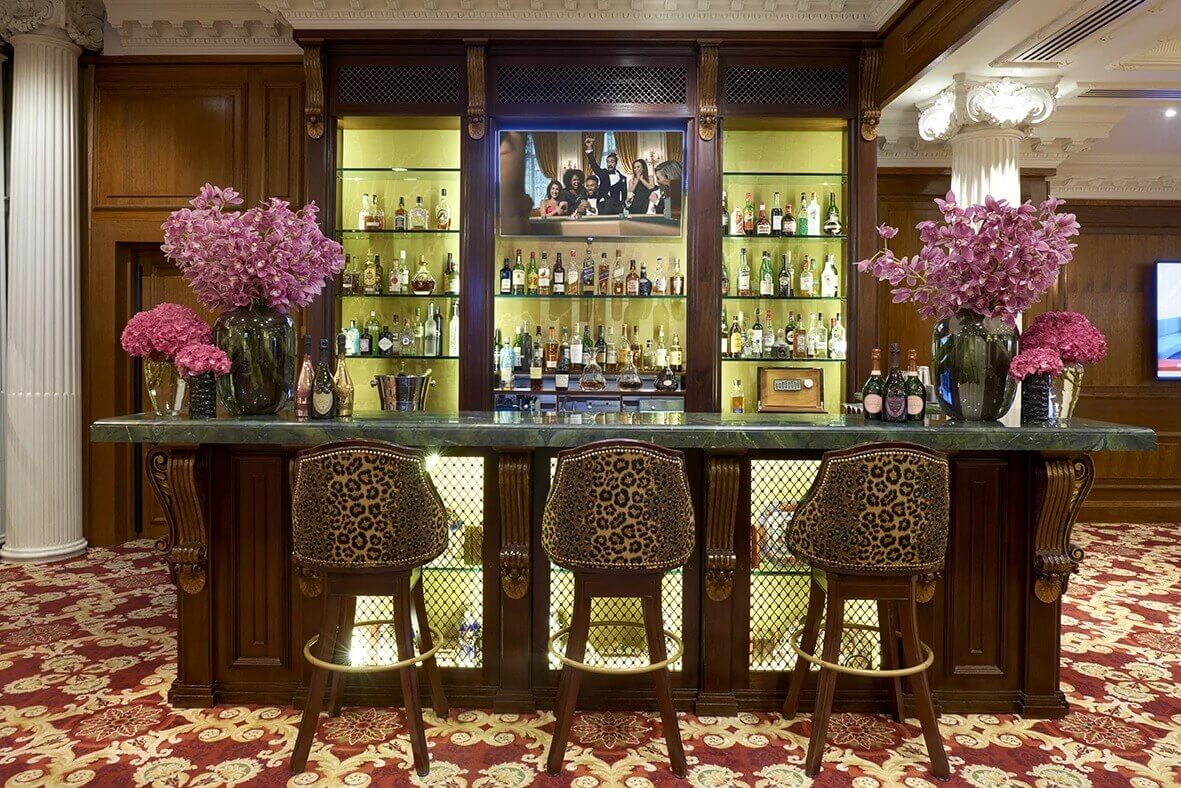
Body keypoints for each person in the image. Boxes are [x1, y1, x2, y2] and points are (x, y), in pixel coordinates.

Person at [584, 138, 627, 207]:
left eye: (612, 162)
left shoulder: (623, 178)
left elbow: (624, 195)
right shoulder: (603, 173)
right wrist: (589, 147)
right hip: (602, 205)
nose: (609, 164)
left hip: (616, 207)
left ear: (616, 163)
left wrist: (623, 206)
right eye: (608, 162)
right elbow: (593, 165)